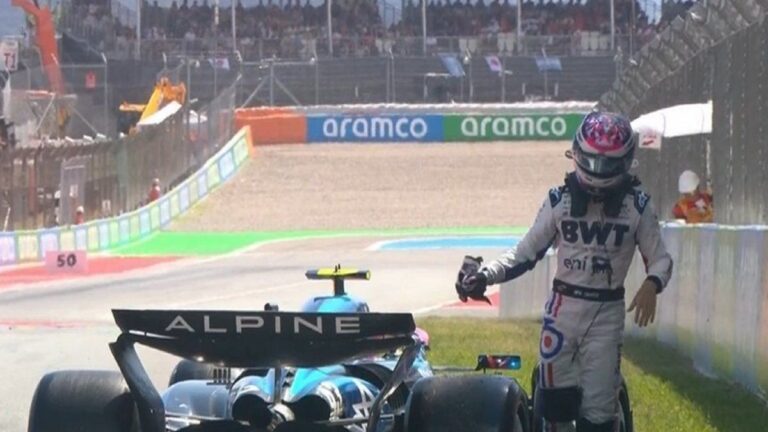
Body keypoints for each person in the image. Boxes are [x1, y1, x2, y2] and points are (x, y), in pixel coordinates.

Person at [456, 111, 673, 432]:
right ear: (577, 154)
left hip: (606, 313)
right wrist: (485, 275)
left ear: (626, 161)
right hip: (562, 310)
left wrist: (652, 284)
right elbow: (525, 251)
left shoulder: (638, 205)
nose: (598, 172)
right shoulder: (559, 200)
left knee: (599, 409)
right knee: (554, 404)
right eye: (592, 162)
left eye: (607, 165)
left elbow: (661, 259)